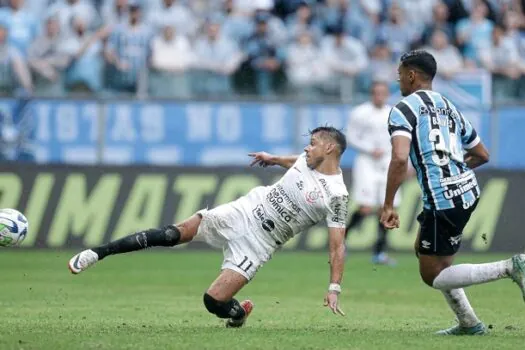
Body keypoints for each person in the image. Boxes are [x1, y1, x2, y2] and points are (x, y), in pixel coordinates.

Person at [68, 126, 350, 327]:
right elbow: (295, 162)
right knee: (172, 234)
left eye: (312, 142)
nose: (306, 147)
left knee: (213, 302)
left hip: (260, 244)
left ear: (329, 148)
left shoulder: (336, 196)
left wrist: (334, 287)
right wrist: (272, 158)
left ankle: (239, 312)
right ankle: (98, 252)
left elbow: (338, 246)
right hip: (243, 212)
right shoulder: (307, 159)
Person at [380, 49, 525, 335]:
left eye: (399, 75)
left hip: (443, 198)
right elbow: (482, 154)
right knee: (429, 253)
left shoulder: (403, 108)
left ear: (411, 75)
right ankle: (468, 323)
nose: (398, 81)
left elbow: (399, 158)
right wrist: (455, 171)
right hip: (466, 190)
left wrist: (388, 205)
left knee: (432, 274)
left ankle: (511, 266)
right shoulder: (449, 106)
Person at [345, 81, 400, 265]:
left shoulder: (393, 113)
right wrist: (369, 149)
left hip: (386, 162)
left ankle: (379, 252)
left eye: (383, 93)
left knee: (385, 208)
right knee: (365, 207)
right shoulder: (360, 112)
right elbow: (351, 136)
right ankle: (340, 242)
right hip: (366, 162)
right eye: (376, 93)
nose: (379, 96)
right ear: (371, 94)